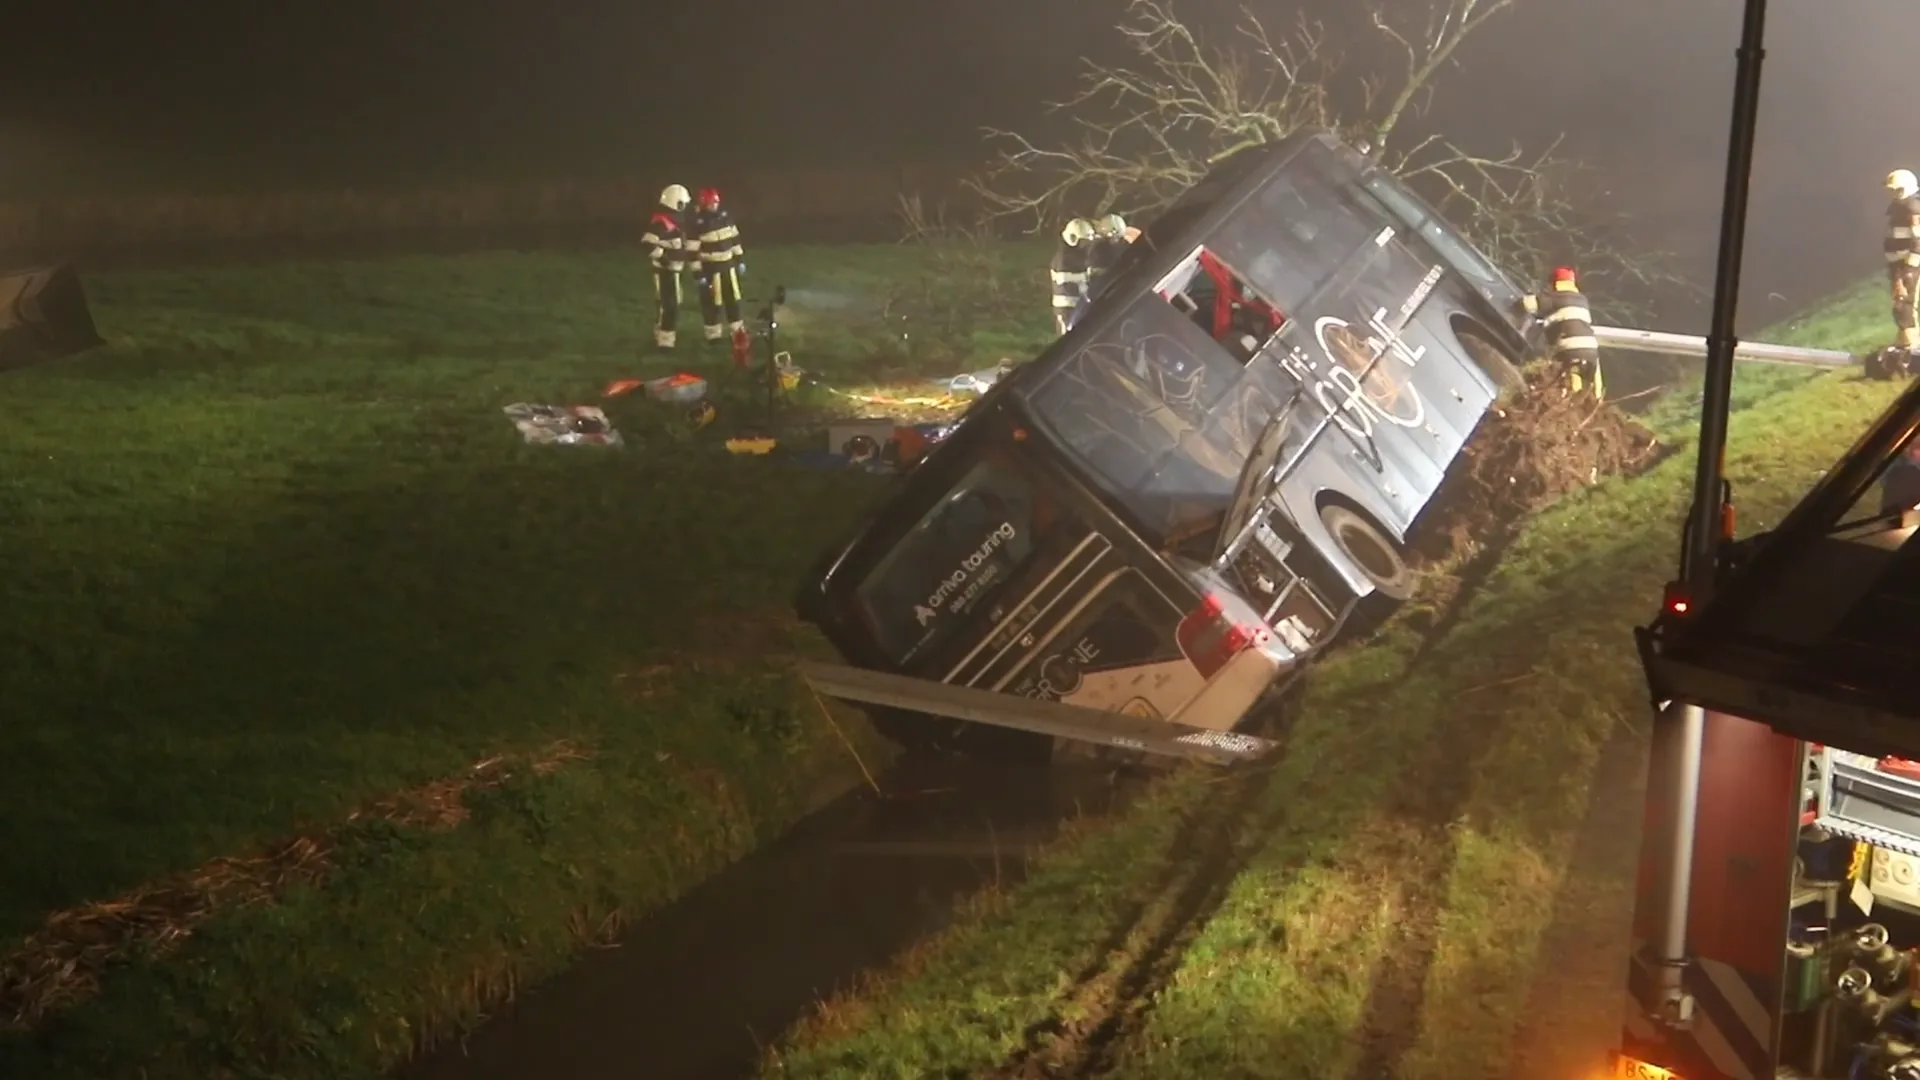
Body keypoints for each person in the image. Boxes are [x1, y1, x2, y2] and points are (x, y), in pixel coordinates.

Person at [1521, 266, 1603, 399]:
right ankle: (1597, 403)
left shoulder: (1554, 297)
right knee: (1595, 389)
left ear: (1554, 283)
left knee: (1573, 389)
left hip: (1569, 351)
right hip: (1592, 351)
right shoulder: (1582, 299)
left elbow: (1528, 304)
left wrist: (1527, 296)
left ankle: (1572, 404)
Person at [687, 187, 747, 346]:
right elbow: (692, 251)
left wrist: (739, 258)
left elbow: (734, 238)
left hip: (728, 267)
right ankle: (713, 336)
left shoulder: (725, 217)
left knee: (734, 300)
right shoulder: (697, 223)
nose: (714, 206)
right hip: (711, 269)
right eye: (711, 203)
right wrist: (698, 273)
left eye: (716, 202)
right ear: (703, 204)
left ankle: (738, 333)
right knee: (712, 303)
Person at [642, 184, 694, 351]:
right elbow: (648, 244)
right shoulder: (661, 223)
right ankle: (664, 342)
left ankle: (665, 337)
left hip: (674, 270)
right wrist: (663, 260)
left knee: (672, 303)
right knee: (668, 305)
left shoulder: (672, 221)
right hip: (665, 271)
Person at [1886, 170, 1920, 352]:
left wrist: (1909, 269)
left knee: (1905, 302)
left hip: (1910, 264)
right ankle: (1903, 338)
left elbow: (1918, 242)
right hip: (1899, 263)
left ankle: (1911, 344)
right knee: (1898, 301)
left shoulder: (1914, 209)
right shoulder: (1898, 209)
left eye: (1897, 190)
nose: (1893, 194)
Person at [1050, 217, 1094, 335]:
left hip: (1078, 307)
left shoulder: (1079, 256)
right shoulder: (1063, 259)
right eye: (1084, 242)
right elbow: (1065, 280)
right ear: (1073, 239)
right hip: (1066, 309)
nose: (1086, 245)